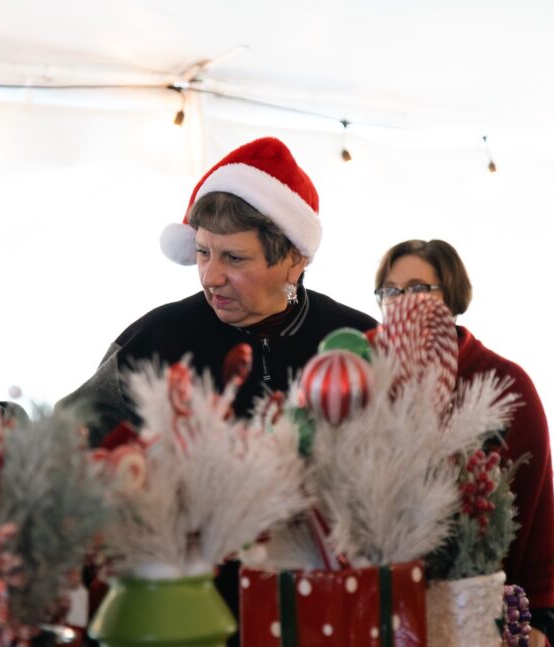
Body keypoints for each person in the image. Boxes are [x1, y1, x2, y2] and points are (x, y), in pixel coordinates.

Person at [62, 137, 379, 643]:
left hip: (330, 613)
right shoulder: (158, 337)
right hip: (188, 618)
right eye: (202, 252)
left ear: (295, 259)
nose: (210, 277)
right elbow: (71, 439)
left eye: (234, 257)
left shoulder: (357, 342)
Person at [374, 239, 554, 646]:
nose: (403, 303)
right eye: (390, 291)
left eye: (420, 290)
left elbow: (536, 505)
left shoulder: (504, 383)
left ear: (452, 297)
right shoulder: (369, 380)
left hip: (481, 612)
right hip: (387, 611)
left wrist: (539, 619)